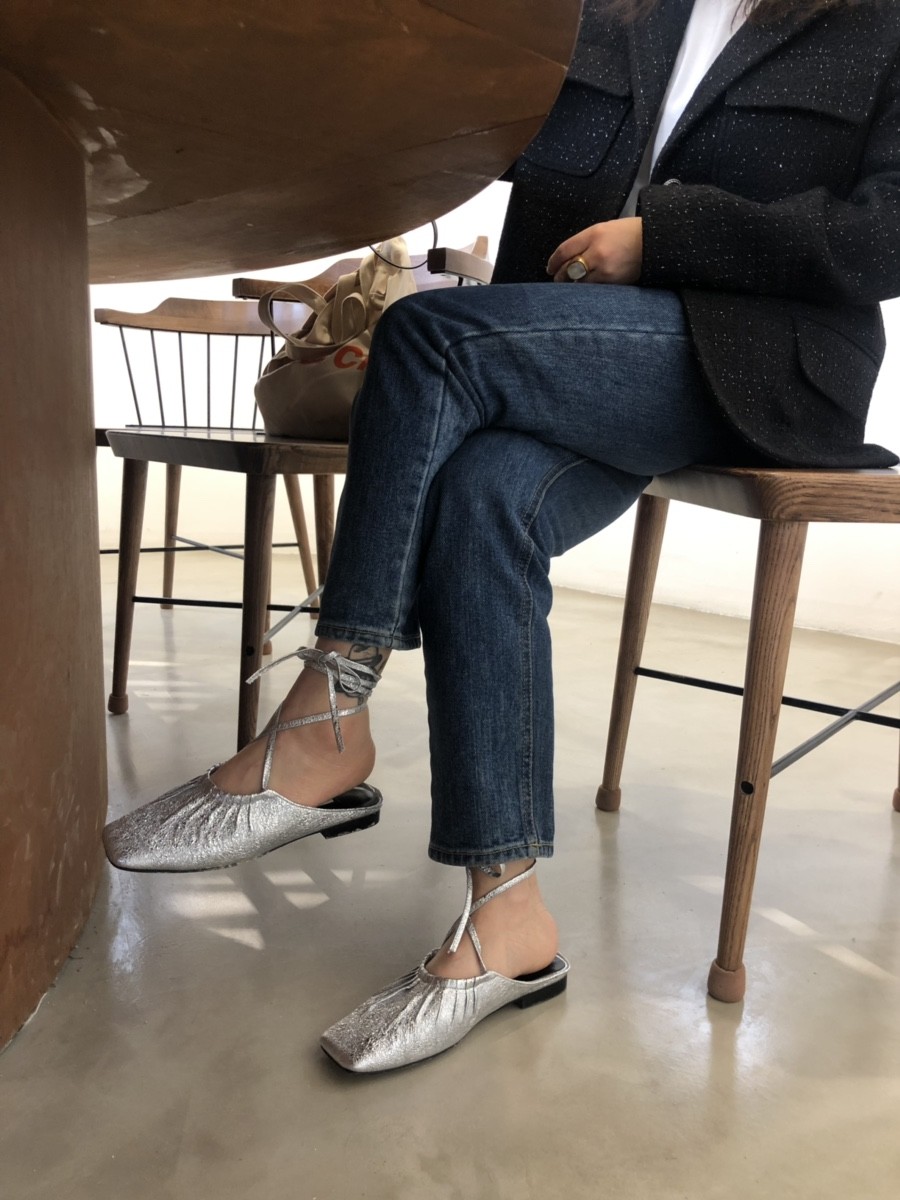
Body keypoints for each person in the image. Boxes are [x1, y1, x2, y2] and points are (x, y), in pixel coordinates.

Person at [103, 0, 900, 1073]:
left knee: (429, 338)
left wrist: (668, 237)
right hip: (586, 349)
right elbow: (511, 156)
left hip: (768, 359)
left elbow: (884, 233)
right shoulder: (624, 11)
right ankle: (508, 916)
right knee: (485, 498)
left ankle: (328, 713)